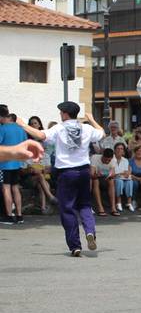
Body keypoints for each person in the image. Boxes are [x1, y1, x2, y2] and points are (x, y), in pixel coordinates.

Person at [17, 102, 105, 256]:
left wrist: (23, 124)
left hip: (66, 172)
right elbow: (102, 133)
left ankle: (75, 246)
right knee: (84, 204)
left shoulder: (59, 128)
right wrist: (91, 119)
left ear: (65, 114)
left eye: (60, 112)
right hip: (84, 171)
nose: (59, 115)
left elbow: (40, 135)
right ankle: (90, 231)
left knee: (67, 208)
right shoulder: (86, 128)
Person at [0, 107, 28, 224]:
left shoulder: (2, 128)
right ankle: (19, 215)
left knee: (6, 188)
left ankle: (9, 216)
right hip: (17, 163)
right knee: (15, 188)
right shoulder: (20, 129)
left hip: (5, 164)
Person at [25, 116, 56, 214]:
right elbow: (23, 168)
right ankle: (50, 197)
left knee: (42, 182)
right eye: (31, 123)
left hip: (42, 176)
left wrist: (41, 170)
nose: (33, 125)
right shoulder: (27, 146)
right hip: (30, 177)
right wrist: (31, 170)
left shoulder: (44, 139)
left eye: (35, 123)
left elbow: (49, 168)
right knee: (40, 178)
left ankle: (43, 208)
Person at [91, 148, 116, 216]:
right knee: (96, 180)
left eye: (109, 160)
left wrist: (110, 175)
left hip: (106, 178)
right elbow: (91, 173)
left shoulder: (113, 159)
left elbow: (113, 173)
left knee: (111, 180)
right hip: (96, 178)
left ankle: (113, 208)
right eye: (106, 159)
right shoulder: (95, 157)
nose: (107, 161)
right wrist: (97, 175)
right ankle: (100, 208)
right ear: (102, 156)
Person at [111, 142, 134, 213]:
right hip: (114, 178)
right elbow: (113, 173)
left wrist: (125, 173)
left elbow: (126, 172)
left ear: (123, 151)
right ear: (114, 150)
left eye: (121, 149)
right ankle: (118, 202)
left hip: (123, 177)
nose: (119, 150)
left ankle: (129, 203)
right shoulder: (111, 159)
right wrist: (121, 173)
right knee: (119, 181)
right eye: (118, 148)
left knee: (130, 181)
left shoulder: (125, 160)